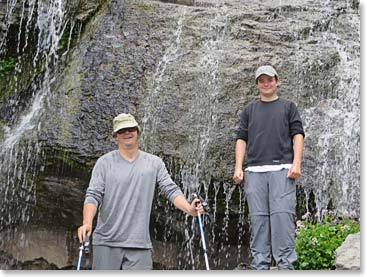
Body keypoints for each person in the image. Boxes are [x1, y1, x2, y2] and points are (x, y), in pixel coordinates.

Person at [77, 113, 204, 270]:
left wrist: (190, 209)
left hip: (139, 244)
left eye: (131, 128)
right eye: (122, 130)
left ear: (138, 132)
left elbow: (170, 189)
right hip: (106, 242)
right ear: (115, 136)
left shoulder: (154, 163)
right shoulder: (104, 163)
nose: (127, 133)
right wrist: (87, 223)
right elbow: (93, 195)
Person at [233, 65, 305, 270]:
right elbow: (241, 138)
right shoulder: (249, 110)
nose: (266, 83)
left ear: (277, 81)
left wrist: (296, 163)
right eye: (262, 80)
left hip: (282, 170)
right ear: (257, 84)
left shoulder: (288, 106)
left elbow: (298, 134)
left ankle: (285, 268)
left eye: (270, 79)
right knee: (258, 223)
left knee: (282, 221)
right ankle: (260, 268)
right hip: (254, 172)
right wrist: (239, 167)